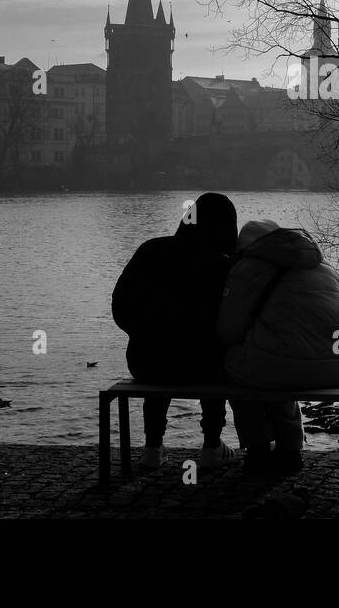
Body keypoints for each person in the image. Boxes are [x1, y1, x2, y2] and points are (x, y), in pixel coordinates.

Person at [217, 220, 339, 476]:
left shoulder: (247, 268)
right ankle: (290, 449)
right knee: (284, 359)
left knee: (238, 369)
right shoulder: (325, 267)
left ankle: (258, 448)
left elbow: (229, 329)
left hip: (285, 366)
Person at [112, 192, 239, 470]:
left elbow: (119, 306)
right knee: (213, 354)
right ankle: (212, 446)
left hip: (147, 363)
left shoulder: (151, 250)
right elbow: (235, 322)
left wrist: (143, 332)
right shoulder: (224, 265)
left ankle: (152, 448)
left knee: (161, 353)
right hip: (205, 365)